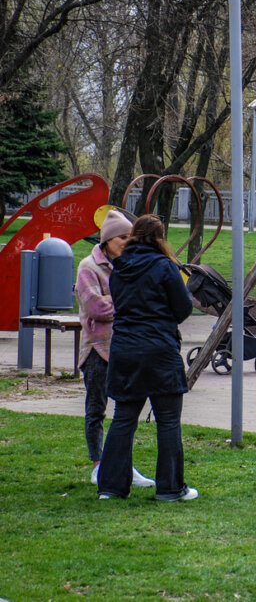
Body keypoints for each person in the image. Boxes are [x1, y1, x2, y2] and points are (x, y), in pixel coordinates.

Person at [98, 214, 196, 501]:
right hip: (159, 350)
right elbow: (183, 308)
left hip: (125, 350)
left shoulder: (119, 269)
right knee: (168, 420)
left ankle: (112, 487)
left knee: (123, 419)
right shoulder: (165, 267)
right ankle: (170, 488)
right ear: (159, 238)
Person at [75, 209, 154, 488]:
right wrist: (129, 302)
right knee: (96, 409)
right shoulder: (88, 267)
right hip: (98, 349)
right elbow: (96, 309)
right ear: (107, 239)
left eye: (130, 237)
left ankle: (123, 464)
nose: (127, 242)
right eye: (122, 237)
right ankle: (98, 465)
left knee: (125, 412)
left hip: (125, 348)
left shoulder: (128, 264)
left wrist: (119, 301)